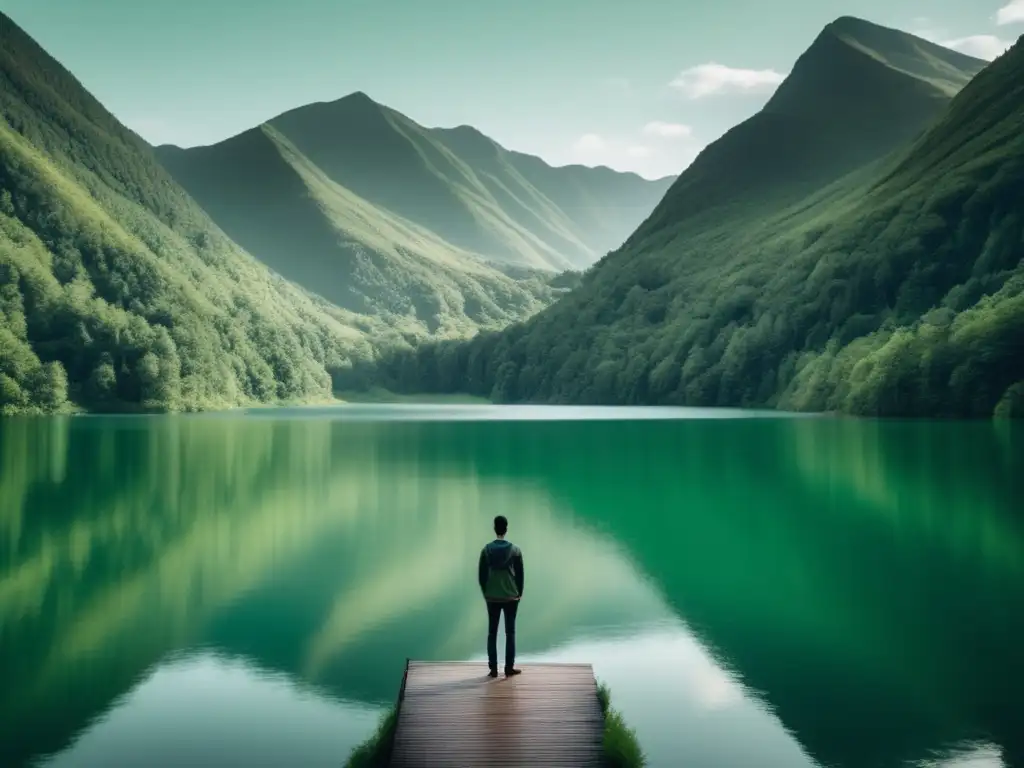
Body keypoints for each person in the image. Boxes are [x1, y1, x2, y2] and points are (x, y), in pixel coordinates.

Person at [478, 515, 524, 677]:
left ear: (494, 528)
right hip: (511, 597)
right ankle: (509, 667)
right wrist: (519, 593)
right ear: (506, 529)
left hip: (492, 596)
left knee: (492, 632)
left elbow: (481, 576)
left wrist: (486, 592)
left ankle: (493, 669)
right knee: (510, 632)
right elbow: (520, 576)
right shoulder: (515, 550)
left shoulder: (486, 550)